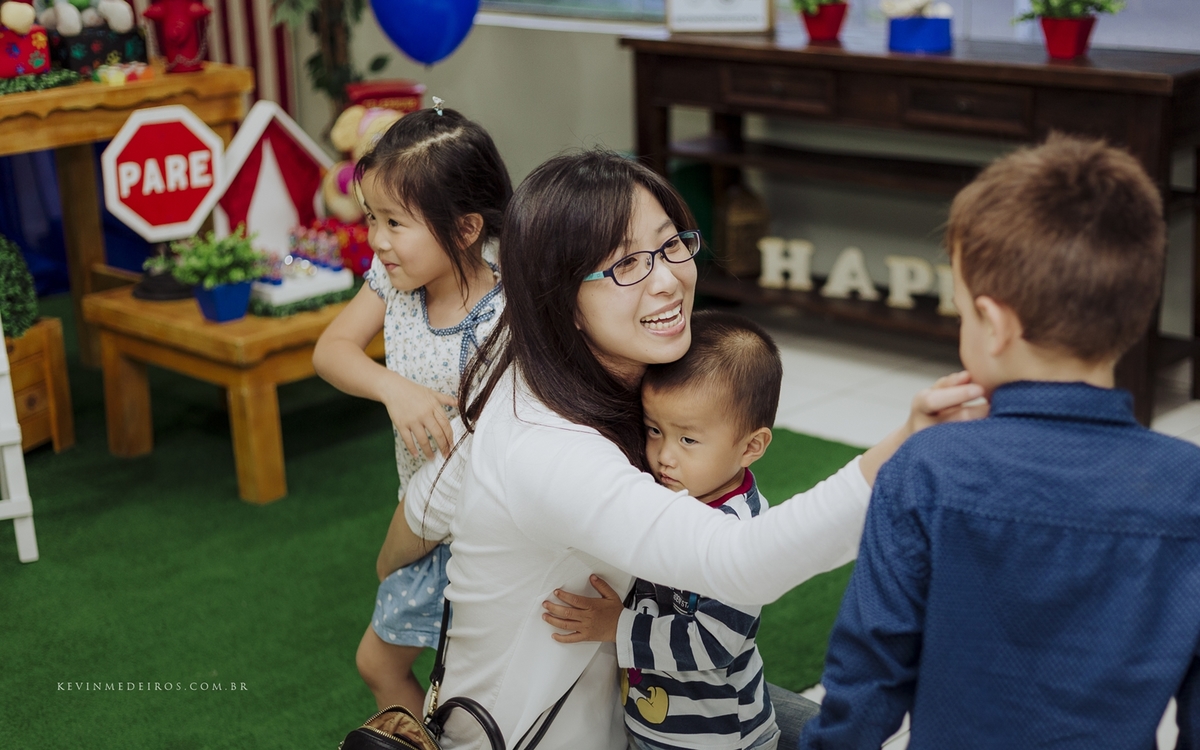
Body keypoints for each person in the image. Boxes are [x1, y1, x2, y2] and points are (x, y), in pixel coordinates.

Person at [397, 150, 986, 750]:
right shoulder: (549, 447)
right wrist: (901, 449)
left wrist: (394, 555)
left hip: (650, 701)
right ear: (561, 301)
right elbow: (738, 561)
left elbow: (434, 495)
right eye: (626, 263)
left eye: (671, 243)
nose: (667, 278)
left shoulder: (566, 369)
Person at [800, 135, 1200, 749]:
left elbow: (868, 678)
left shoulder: (926, 470)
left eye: (962, 311)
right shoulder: (1189, 486)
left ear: (994, 323)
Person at [311, 106, 512, 711]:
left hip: (475, 538)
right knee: (382, 665)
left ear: (467, 227)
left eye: (395, 222)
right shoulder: (392, 281)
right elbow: (331, 350)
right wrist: (392, 387)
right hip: (419, 514)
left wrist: (397, 548)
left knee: (471, 684)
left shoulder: (507, 316)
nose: (376, 239)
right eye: (372, 218)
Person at [540, 310, 791, 750]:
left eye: (688, 440)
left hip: (721, 738)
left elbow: (717, 643)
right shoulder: (670, 494)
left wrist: (617, 626)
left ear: (751, 446)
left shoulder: (739, 536)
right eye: (654, 430)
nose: (664, 456)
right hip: (654, 725)